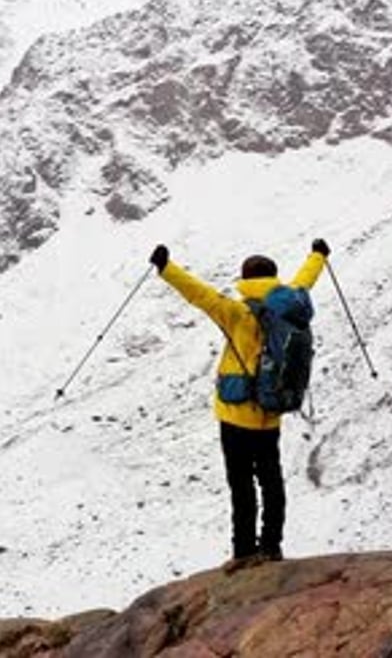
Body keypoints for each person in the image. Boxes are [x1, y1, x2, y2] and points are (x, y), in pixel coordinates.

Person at [149, 238, 330, 568]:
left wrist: (166, 268)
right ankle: (272, 547)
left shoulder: (236, 313)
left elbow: (199, 294)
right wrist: (318, 255)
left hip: (235, 418)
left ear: (246, 279)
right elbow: (307, 278)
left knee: (242, 486)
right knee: (271, 482)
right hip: (270, 415)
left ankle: (244, 552)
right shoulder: (290, 307)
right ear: (274, 279)